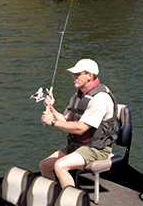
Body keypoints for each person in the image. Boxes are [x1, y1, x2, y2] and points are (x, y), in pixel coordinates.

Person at [39, 59, 118, 188]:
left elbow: (80, 128)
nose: (74, 77)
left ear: (89, 76)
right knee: (45, 165)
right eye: (73, 74)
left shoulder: (100, 99)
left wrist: (52, 122)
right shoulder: (77, 97)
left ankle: (71, 203)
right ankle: (53, 197)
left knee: (60, 166)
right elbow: (66, 120)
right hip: (77, 145)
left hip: (97, 148)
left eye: (78, 74)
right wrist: (51, 108)